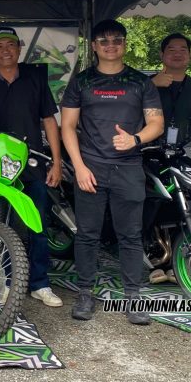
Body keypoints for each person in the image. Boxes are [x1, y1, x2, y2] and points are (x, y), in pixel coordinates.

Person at [60, 19, 163, 325]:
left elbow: (156, 123)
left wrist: (135, 139)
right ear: (94, 46)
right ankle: (85, 294)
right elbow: (67, 126)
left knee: (130, 235)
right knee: (87, 235)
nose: (110, 46)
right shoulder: (82, 82)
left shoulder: (140, 82)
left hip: (129, 169)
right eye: (103, 41)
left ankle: (133, 296)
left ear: (124, 44)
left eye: (117, 40)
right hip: (90, 168)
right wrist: (79, 167)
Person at [0, 27, 64, 307]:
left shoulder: (35, 81)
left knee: (37, 225)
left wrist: (56, 161)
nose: (5, 50)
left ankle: (40, 284)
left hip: (32, 165)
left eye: (10, 45)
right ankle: (3, 281)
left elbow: (49, 121)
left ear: (19, 48)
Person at [147, 33, 191, 285]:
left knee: (188, 205)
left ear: (188, 56)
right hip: (152, 155)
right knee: (154, 205)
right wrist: (152, 85)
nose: (177, 53)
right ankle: (155, 258)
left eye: (182, 50)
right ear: (162, 55)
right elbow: (128, 108)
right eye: (171, 49)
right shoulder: (147, 84)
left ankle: (179, 260)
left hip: (185, 156)